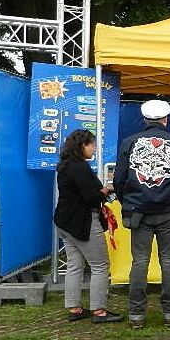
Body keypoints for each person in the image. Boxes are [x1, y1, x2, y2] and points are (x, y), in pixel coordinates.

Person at [113, 99, 170, 329]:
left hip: (138, 211)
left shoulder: (129, 142)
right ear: (165, 119)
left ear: (145, 119)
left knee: (139, 261)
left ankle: (136, 314)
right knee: (169, 261)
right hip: (169, 211)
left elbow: (119, 179)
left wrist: (127, 200)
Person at [53, 130, 123, 324]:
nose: (94, 148)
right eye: (91, 144)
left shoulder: (66, 166)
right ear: (82, 145)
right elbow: (91, 197)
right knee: (100, 265)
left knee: (74, 265)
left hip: (65, 222)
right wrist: (107, 189)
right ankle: (99, 310)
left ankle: (74, 308)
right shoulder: (79, 167)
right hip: (82, 222)